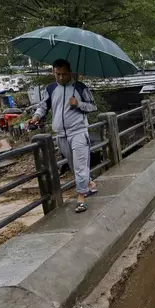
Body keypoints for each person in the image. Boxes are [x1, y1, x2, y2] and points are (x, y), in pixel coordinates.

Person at [29, 59, 98, 213]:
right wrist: (35, 117)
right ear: (53, 72)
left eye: (64, 74)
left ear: (70, 72)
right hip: (60, 134)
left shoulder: (80, 87)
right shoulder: (51, 88)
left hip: (78, 132)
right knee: (74, 166)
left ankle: (81, 198)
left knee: (80, 166)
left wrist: (78, 104)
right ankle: (90, 184)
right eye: (57, 74)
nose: (61, 77)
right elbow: (43, 106)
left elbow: (93, 106)